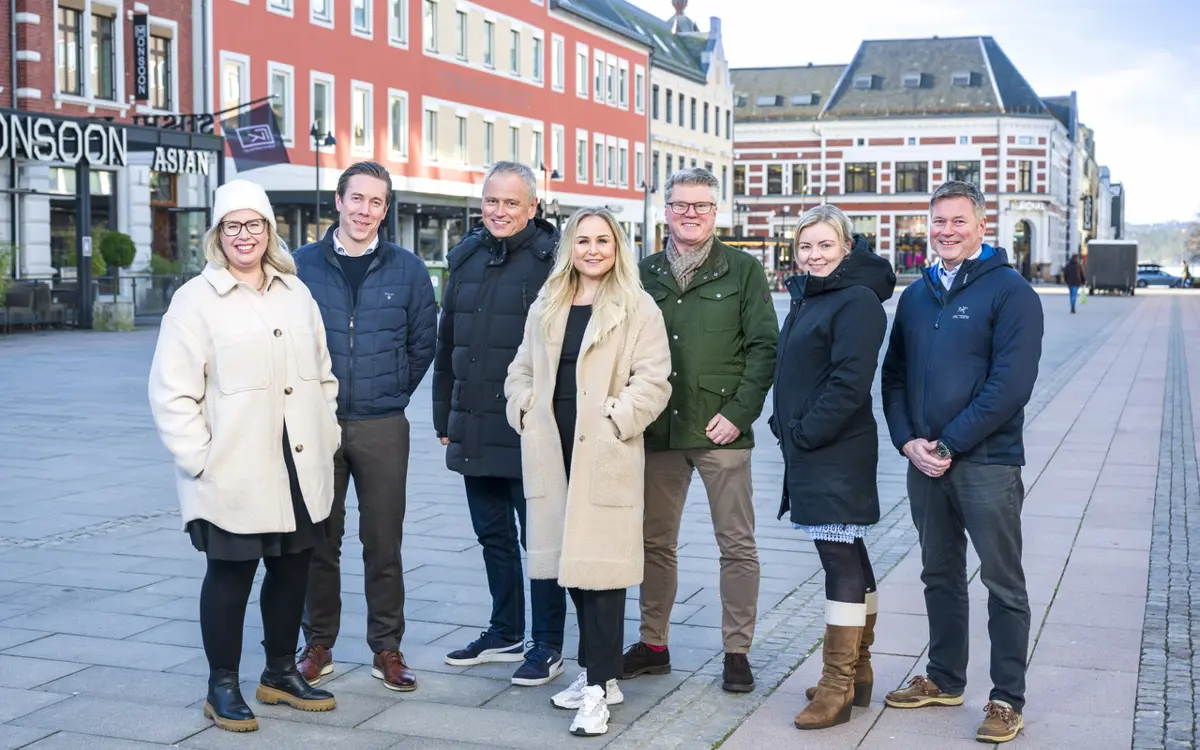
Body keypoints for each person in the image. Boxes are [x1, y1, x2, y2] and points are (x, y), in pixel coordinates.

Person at [148, 180, 341, 733]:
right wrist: (200, 460)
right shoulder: (194, 300)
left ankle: (279, 672)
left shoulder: (294, 293)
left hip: (298, 463)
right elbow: (171, 391)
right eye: (232, 225)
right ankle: (222, 685)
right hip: (233, 466)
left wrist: (326, 434)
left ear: (269, 230)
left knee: (292, 571)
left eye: (253, 224)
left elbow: (324, 375)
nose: (244, 235)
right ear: (217, 234)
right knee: (230, 575)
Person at [881, 181, 1044, 744]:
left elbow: (1010, 386)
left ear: (981, 226)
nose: (946, 232)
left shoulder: (1012, 292)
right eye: (938, 222)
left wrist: (949, 444)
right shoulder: (917, 294)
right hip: (923, 462)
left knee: (1003, 581)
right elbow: (894, 375)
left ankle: (1005, 699)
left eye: (957, 222)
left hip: (987, 463)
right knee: (939, 574)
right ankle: (946, 678)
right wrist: (907, 441)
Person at [505, 208, 671, 736]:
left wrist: (617, 419)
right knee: (571, 569)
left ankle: (598, 690)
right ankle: (598, 673)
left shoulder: (637, 306)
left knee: (603, 576)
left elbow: (655, 379)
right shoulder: (548, 303)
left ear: (617, 246)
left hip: (604, 451)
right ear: (570, 248)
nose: (593, 249)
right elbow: (521, 369)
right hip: (555, 452)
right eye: (583, 241)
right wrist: (525, 407)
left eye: (603, 240)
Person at [622, 168, 780, 692]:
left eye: (702, 206)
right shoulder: (641, 272)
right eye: (681, 205)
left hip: (722, 431)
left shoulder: (743, 270)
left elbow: (764, 348)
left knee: (737, 544)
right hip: (659, 430)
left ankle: (737, 652)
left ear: (717, 212)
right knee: (653, 543)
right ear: (666, 210)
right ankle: (654, 644)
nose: (691, 214)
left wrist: (739, 413)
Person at [293, 161, 438, 693]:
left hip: (382, 423)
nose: (365, 211)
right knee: (318, 541)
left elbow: (425, 343)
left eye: (377, 202)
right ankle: (318, 645)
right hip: (317, 423)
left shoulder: (408, 269)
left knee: (384, 541)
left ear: (385, 208)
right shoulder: (300, 265)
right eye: (357, 199)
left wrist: (395, 391)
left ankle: (387, 648)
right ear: (338, 200)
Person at [432, 162, 569, 686]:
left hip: (527, 424)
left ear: (533, 207)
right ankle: (505, 629)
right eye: (492, 201)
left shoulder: (553, 262)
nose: (500, 211)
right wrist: (444, 412)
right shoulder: (465, 258)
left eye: (512, 203)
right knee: (492, 535)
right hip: (472, 421)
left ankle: (547, 643)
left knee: (540, 541)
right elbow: (449, 344)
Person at [771, 206, 896, 730]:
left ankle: (838, 685)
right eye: (806, 247)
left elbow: (849, 383)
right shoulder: (811, 295)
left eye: (825, 246)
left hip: (832, 452)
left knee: (839, 562)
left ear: (846, 248)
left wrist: (801, 433)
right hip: (813, 450)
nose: (814, 255)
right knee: (852, 557)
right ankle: (858, 672)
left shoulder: (857, 302)